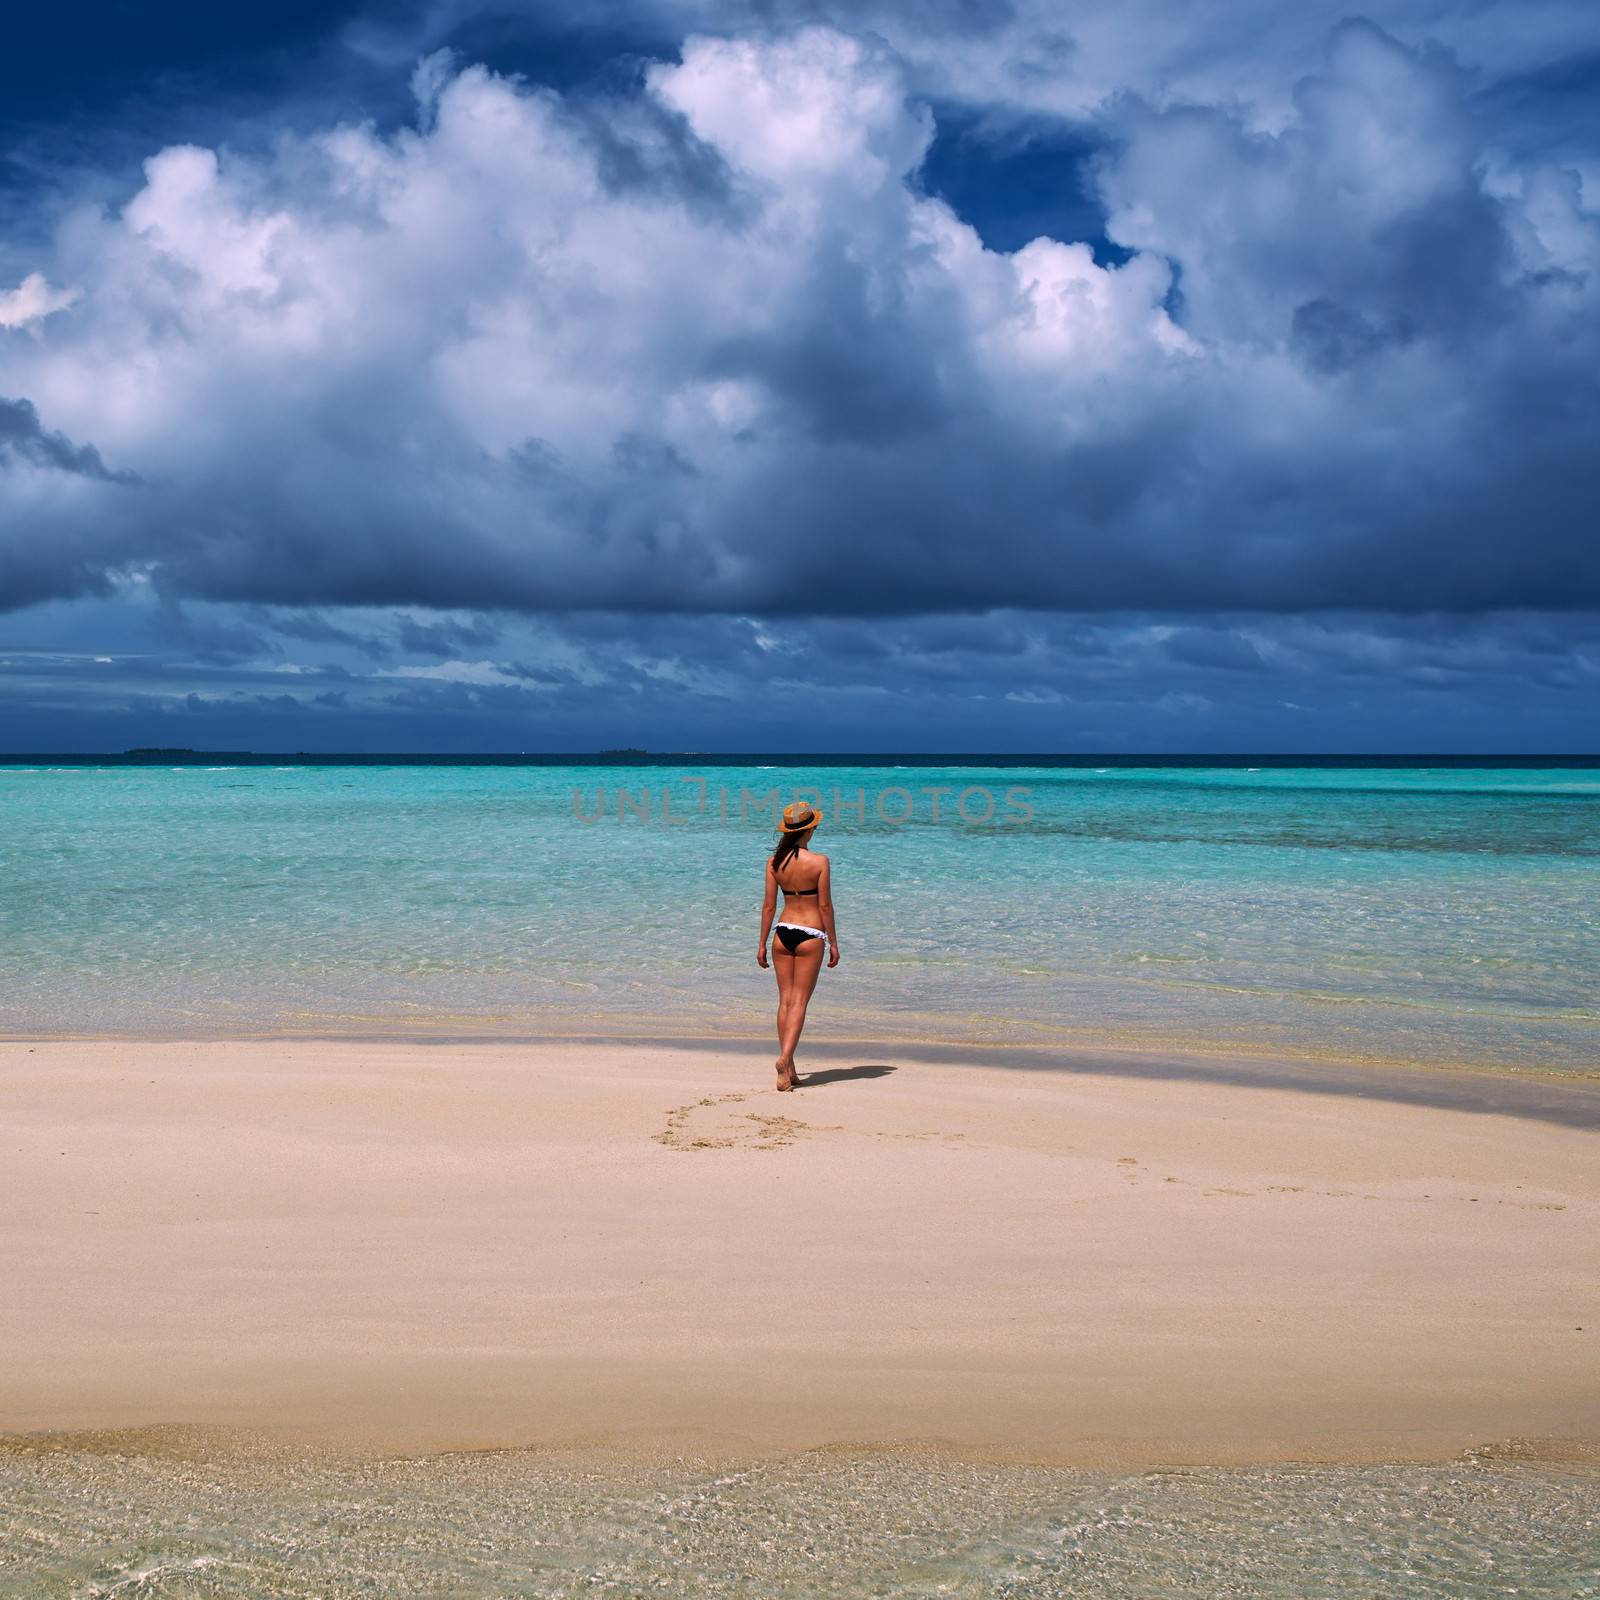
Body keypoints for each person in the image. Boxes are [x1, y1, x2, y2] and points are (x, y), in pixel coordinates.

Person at [756, 800, 840, 1091]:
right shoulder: (819, 862)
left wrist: (762, 944)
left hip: (782, 931)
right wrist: (833, 942)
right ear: (809, 830)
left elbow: (768, 906)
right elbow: (825, 906)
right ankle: (784, 1058)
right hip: (810, 933)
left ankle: (788, 1070)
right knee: (800, 1003)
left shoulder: (774, 862)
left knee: (785, 1001)